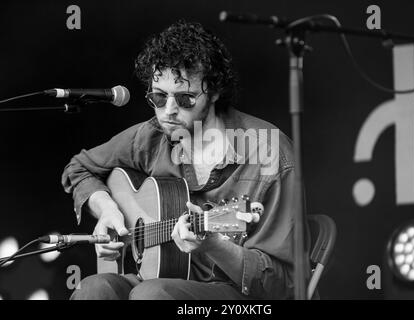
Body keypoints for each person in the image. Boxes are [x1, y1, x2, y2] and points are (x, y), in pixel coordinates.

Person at [62, 20, 310, 300]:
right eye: (158, 97)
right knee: (91, 289)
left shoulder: (270, 153)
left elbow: (287, 286)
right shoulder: (152, 136)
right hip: (161, 278)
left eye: (186, 99)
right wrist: (106, 209)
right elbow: (79, 168)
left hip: (240, 297)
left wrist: (214, 245)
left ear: (215, 91)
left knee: (151, 295)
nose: (168, 111)